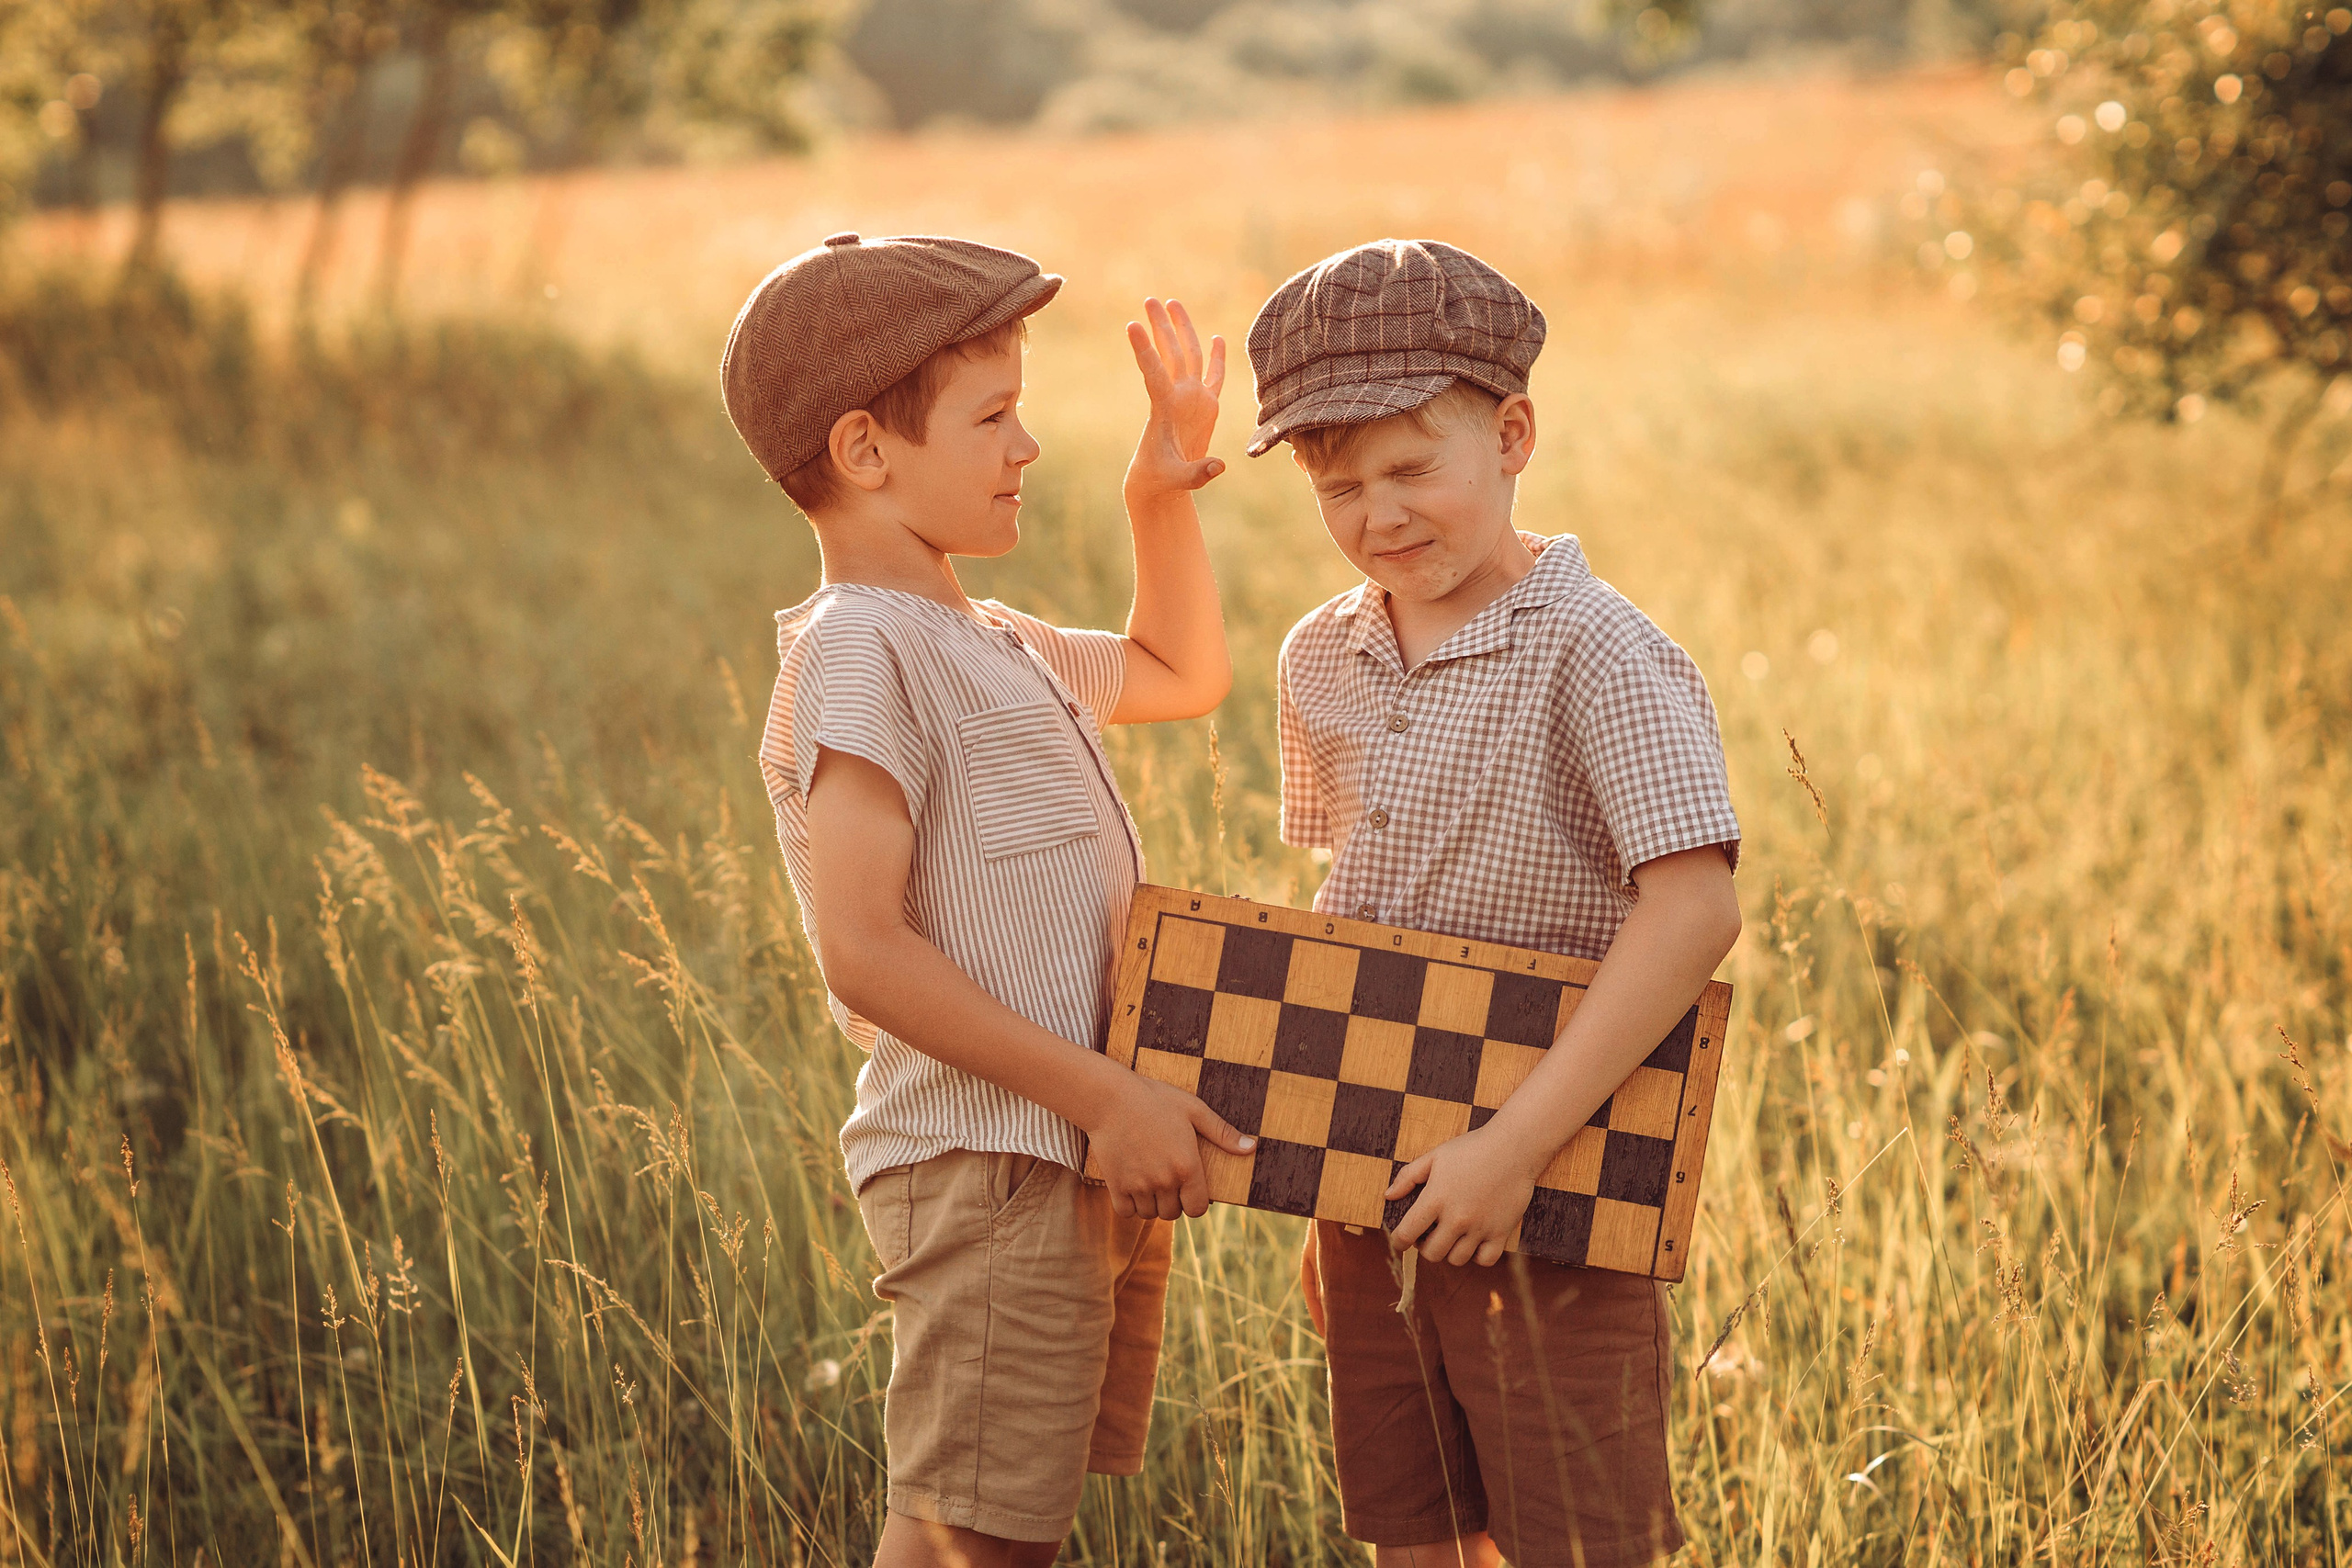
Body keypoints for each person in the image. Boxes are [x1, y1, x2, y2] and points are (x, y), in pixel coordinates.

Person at [729, 231, 1254, 1568]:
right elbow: (863, 950)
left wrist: (1160, 499)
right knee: (965, 1534)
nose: (1027, 448)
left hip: (1071, 1151)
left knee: (1003, 1527)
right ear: (864, 451)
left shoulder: (994, 638)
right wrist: (1105, 1097)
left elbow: (1178, 672)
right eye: (994, 417)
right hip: (996, 1161)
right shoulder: (863, 650)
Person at [1248, 238, 1744, 1568]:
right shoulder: (1321, 653)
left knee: (1572, 1541)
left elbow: (1694, 909)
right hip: (1369, 1177)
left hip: (1555, 1178)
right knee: (1409, 1526)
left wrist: (1514, 1148)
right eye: (1340, 487)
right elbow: (1348, 894)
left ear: (1514, 433)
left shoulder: (1598, 650)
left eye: (1415, 469)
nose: (1379, 517)